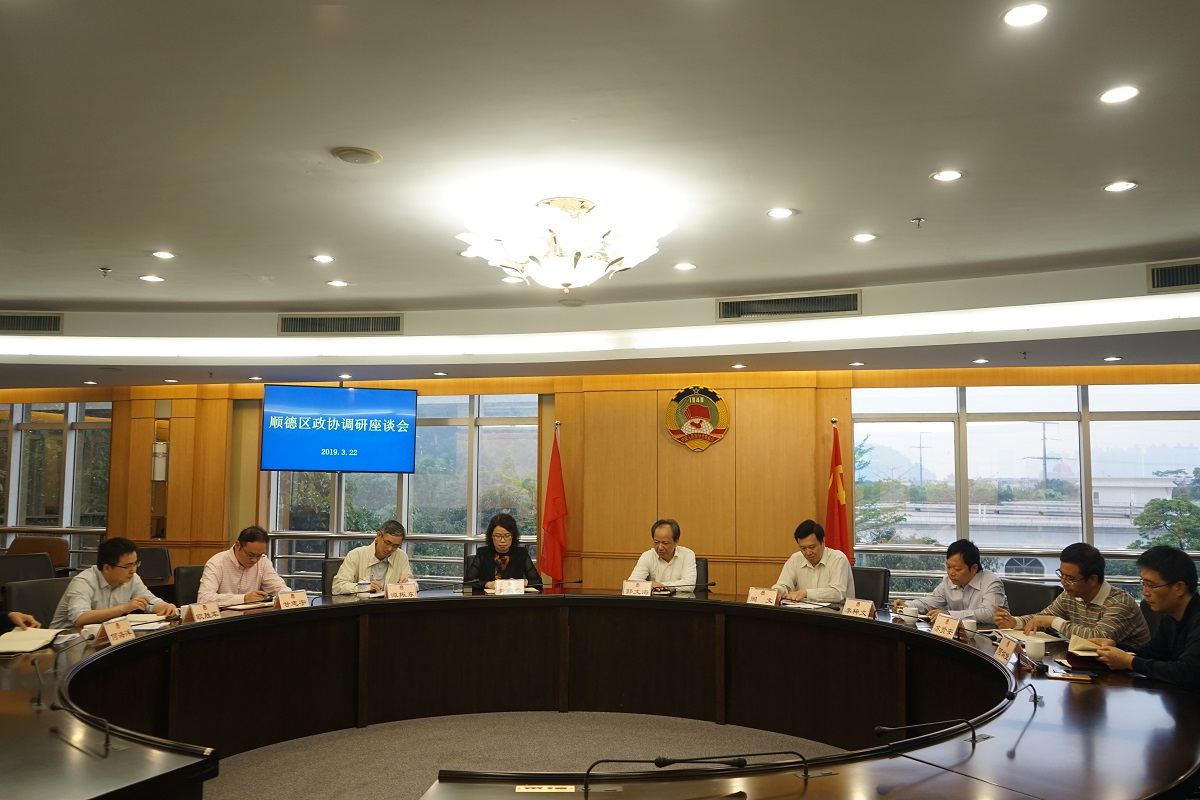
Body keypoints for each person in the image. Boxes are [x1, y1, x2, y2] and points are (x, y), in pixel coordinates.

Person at [994, 542, 1150, 645]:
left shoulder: (1120, 603)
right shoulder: (1071, 594)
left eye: (1070, 578)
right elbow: (1042, 619)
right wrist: (1015, 622)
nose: (1063, 582)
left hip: (1133, 677)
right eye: (1061, 575)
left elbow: (1098, 637)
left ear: (1092, 580)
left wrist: (1054, 621)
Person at [1093, 545, 1200, 689]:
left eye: (1151, 585)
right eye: (1143, 583)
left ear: (1179, 588)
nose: (1145, 592)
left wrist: (1129, 662)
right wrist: (1114, 646)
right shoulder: (1170, 617)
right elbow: (1150, 654)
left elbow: (1187, 672)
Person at [50, 537, 177, 630]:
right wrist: (124, 608)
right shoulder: (84, 582)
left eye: (135, 564)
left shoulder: (132, 578)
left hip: (101, 635)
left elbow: (149, 601)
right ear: (107, 568)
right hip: (65, 640)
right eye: (127, 566)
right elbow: (80, 618)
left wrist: (166, 606)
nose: (133, 570)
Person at [892, 540, 1005, 624]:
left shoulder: (991, 582)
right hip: (960, 636)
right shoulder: (948, 582)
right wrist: (907, 605)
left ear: (974, 568)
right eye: (948, 567)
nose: (951, 573)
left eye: (957, 569)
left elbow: (990, 614)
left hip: (989, 638)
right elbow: (930, 602)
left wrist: (950, 615)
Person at [198, 525, 291, 605]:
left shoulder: (262, 561)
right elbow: (204, 599)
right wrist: (244, 599)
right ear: (237, 545)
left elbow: (279, 588)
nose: (254, 560)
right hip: (224, 618)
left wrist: (287, 596)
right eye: (250, 555)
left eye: (259, 555)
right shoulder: (217, 563)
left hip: (252, 616)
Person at [771, 519, 855, 603]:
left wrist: (806, 593)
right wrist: (778, 591)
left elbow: (837, 593)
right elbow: (784, 585)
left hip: (835, 610)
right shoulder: (795, 559)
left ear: (823, 541)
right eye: (803, 548)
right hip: (805, 609)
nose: (808, 552)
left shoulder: (838, 558)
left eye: (812, 547)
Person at [331, 520, 415, 594]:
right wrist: (363, 588)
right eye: (387, 543)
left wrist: (408, 584)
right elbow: (337, 587)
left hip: (389, 605)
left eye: (395, 545)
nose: (390, 549)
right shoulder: (356, 555)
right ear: (379, 535)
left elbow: (414, 585)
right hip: (362, 605)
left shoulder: (401, 556)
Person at [465, 513, 543, 590]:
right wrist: (487, 584)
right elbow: (467, 583)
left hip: (513, 597)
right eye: (498, 536)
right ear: (491, 536)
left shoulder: (521, 553)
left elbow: (538, 582)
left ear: (513, 536)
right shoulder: (483, 553)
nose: (502, 540)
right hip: (489, 597)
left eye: (507, 536)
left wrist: (521, 583)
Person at [628, 518, 697, 590]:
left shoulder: (687, 555)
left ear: (676, 542)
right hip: (655, 597)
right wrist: (651, 585)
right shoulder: (647, 556)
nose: (660, 547)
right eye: (656, 542)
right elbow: (631, 583)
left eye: (665, 543)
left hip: (680, 597)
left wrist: (656, 585)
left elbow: (689, 585)